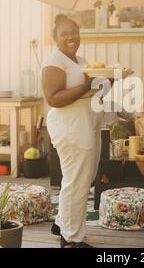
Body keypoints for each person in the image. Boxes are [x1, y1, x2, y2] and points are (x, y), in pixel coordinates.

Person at [42, 14, 104, 248]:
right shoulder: (54, 61)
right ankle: (71, 239)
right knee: (76, 181)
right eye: (64, 33)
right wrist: (86, 85)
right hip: (70, 128)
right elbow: (53, 98)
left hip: (86, 124)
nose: (70, 37)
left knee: (82, 179)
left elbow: (88, 94)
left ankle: (61, 222)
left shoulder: (80, 60)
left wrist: (108, 82)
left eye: (74, 32)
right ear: (55, 38)